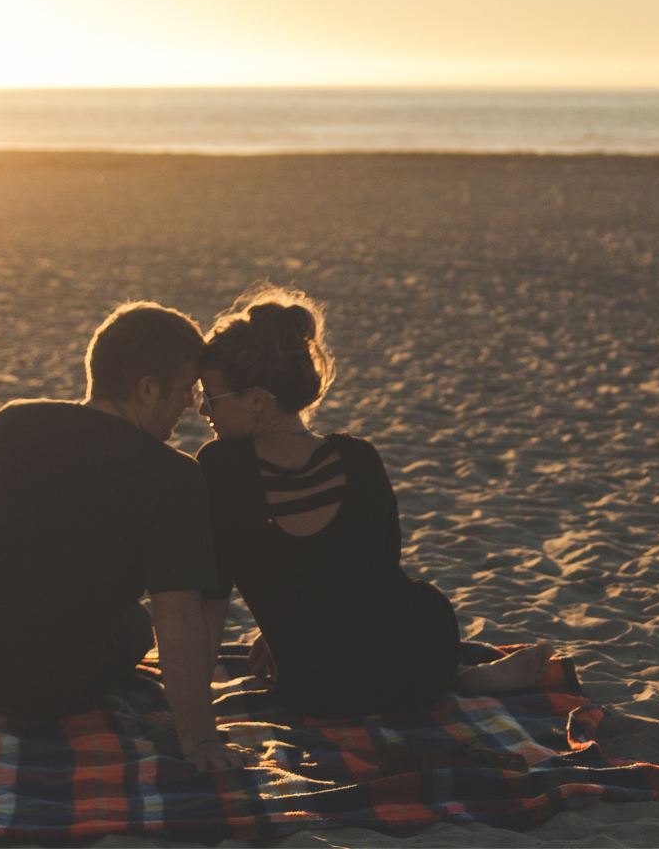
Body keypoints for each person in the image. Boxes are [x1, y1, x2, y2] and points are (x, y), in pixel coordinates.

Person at [0, 301, 242, 772]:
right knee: (139, 626)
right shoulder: (173, 477)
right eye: (184, 390)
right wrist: (198, 741)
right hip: (39, 693)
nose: (191, 406)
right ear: (146, 389)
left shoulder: (10, 422)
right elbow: (176, 618)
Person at [194, 285, 553, 720]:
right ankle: (460, 681)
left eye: (210, 397)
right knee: (412, 608)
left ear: (255, 399)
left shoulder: (219, 468)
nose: (201, 411)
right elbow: (369, 576)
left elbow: (211, 603)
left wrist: (194, 711)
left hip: (315, 691)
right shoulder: (358, 457)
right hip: (418, 668)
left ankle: (463, 682)